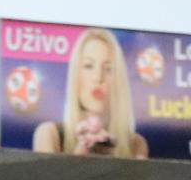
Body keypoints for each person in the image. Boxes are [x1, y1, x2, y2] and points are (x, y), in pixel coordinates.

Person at [31, 26, 147, 159]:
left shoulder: (136, 144)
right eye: (88, 66)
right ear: (76, 75)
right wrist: (83, 148)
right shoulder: (49, 134)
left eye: (108, 69)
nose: (98, 78)